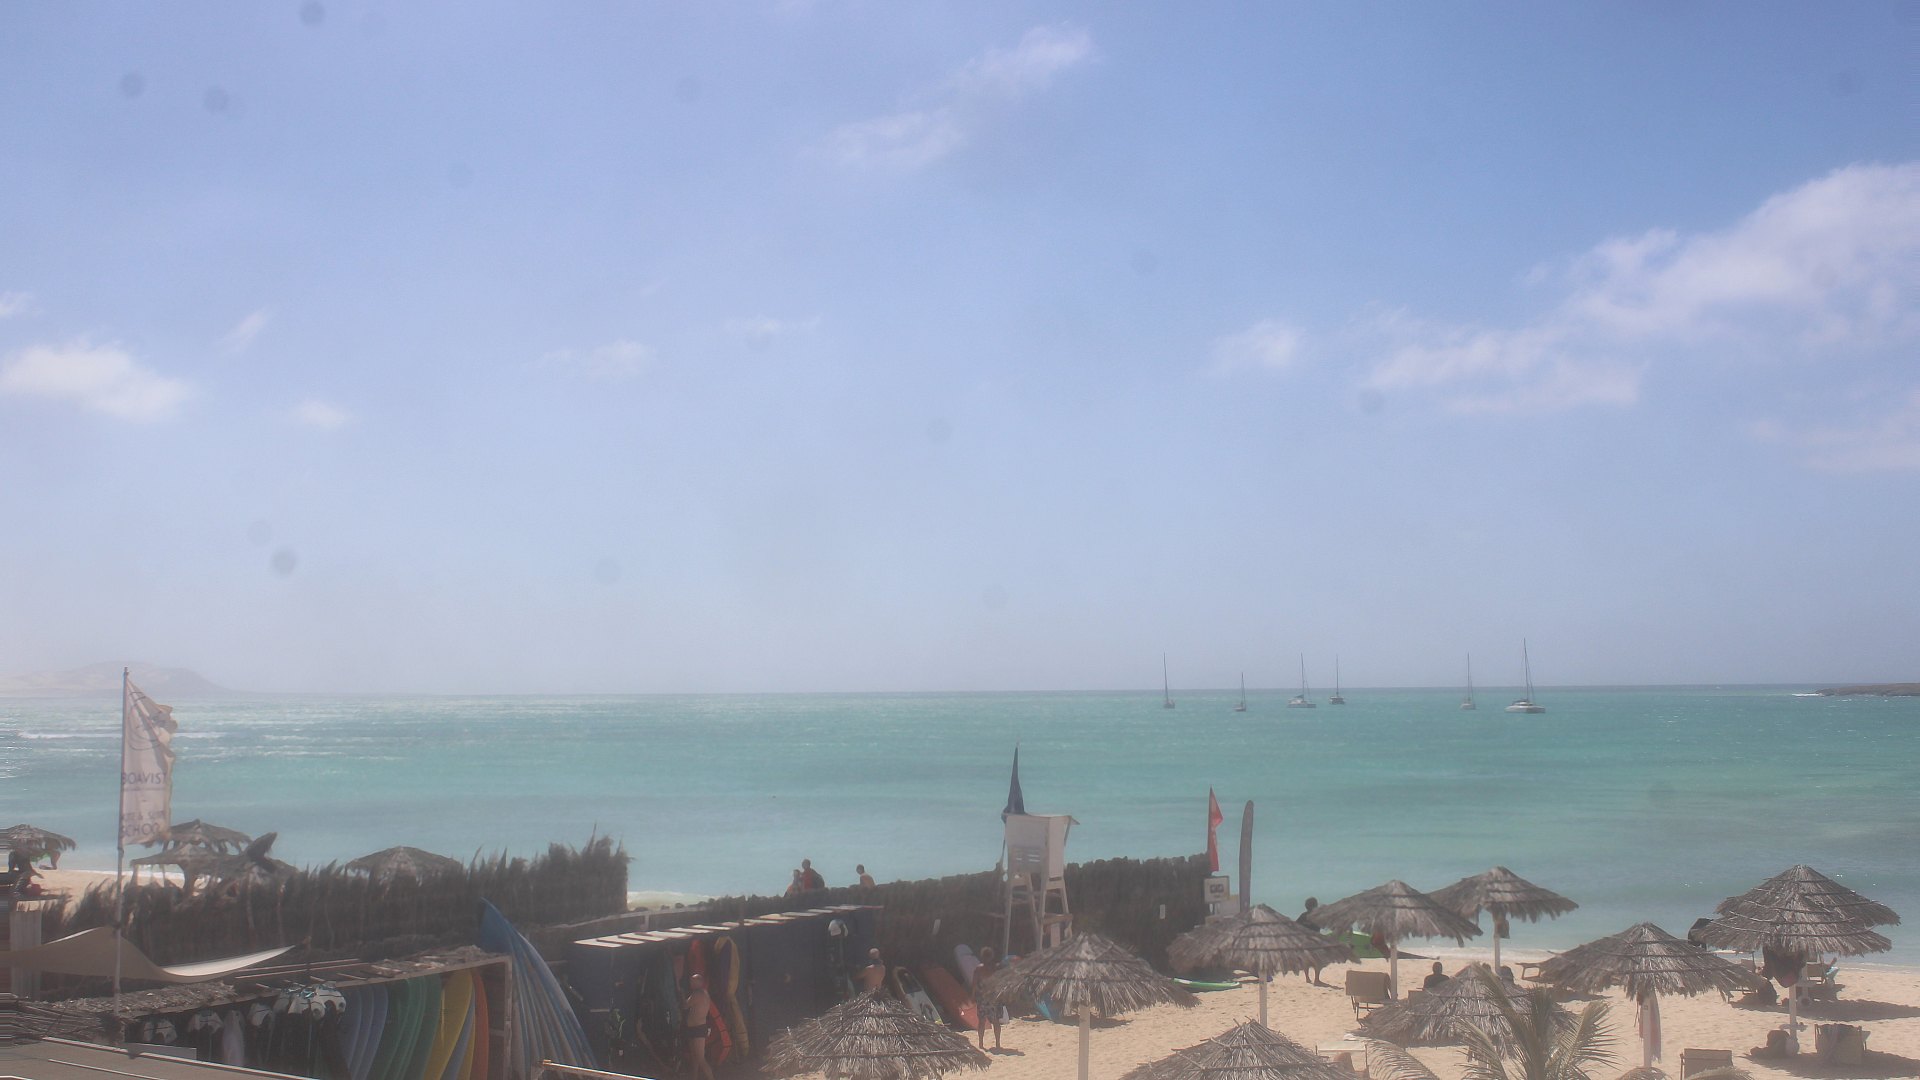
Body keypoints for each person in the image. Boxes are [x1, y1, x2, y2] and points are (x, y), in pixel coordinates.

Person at [972, 946, 1007, 1050]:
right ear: (992, 956)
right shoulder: (996, 968)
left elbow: (974, 985)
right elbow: (1001, 984)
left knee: (981, 1021)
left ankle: (981, 1044)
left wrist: (972, 996)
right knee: (996, 1021)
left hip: (982, 998)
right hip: (993, 997)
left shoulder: (979, 969)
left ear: (982, 956)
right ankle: (997, 1044)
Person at [682, 973, 714, 1080]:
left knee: (700, 1058)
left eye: (693, 981)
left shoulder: (699, 993)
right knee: (694, 1058)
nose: (691, 983)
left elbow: (685, 1005)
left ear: (699, 982)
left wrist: (681, 993)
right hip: (693, 1028)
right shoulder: (699, 993)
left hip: (698, 1029)